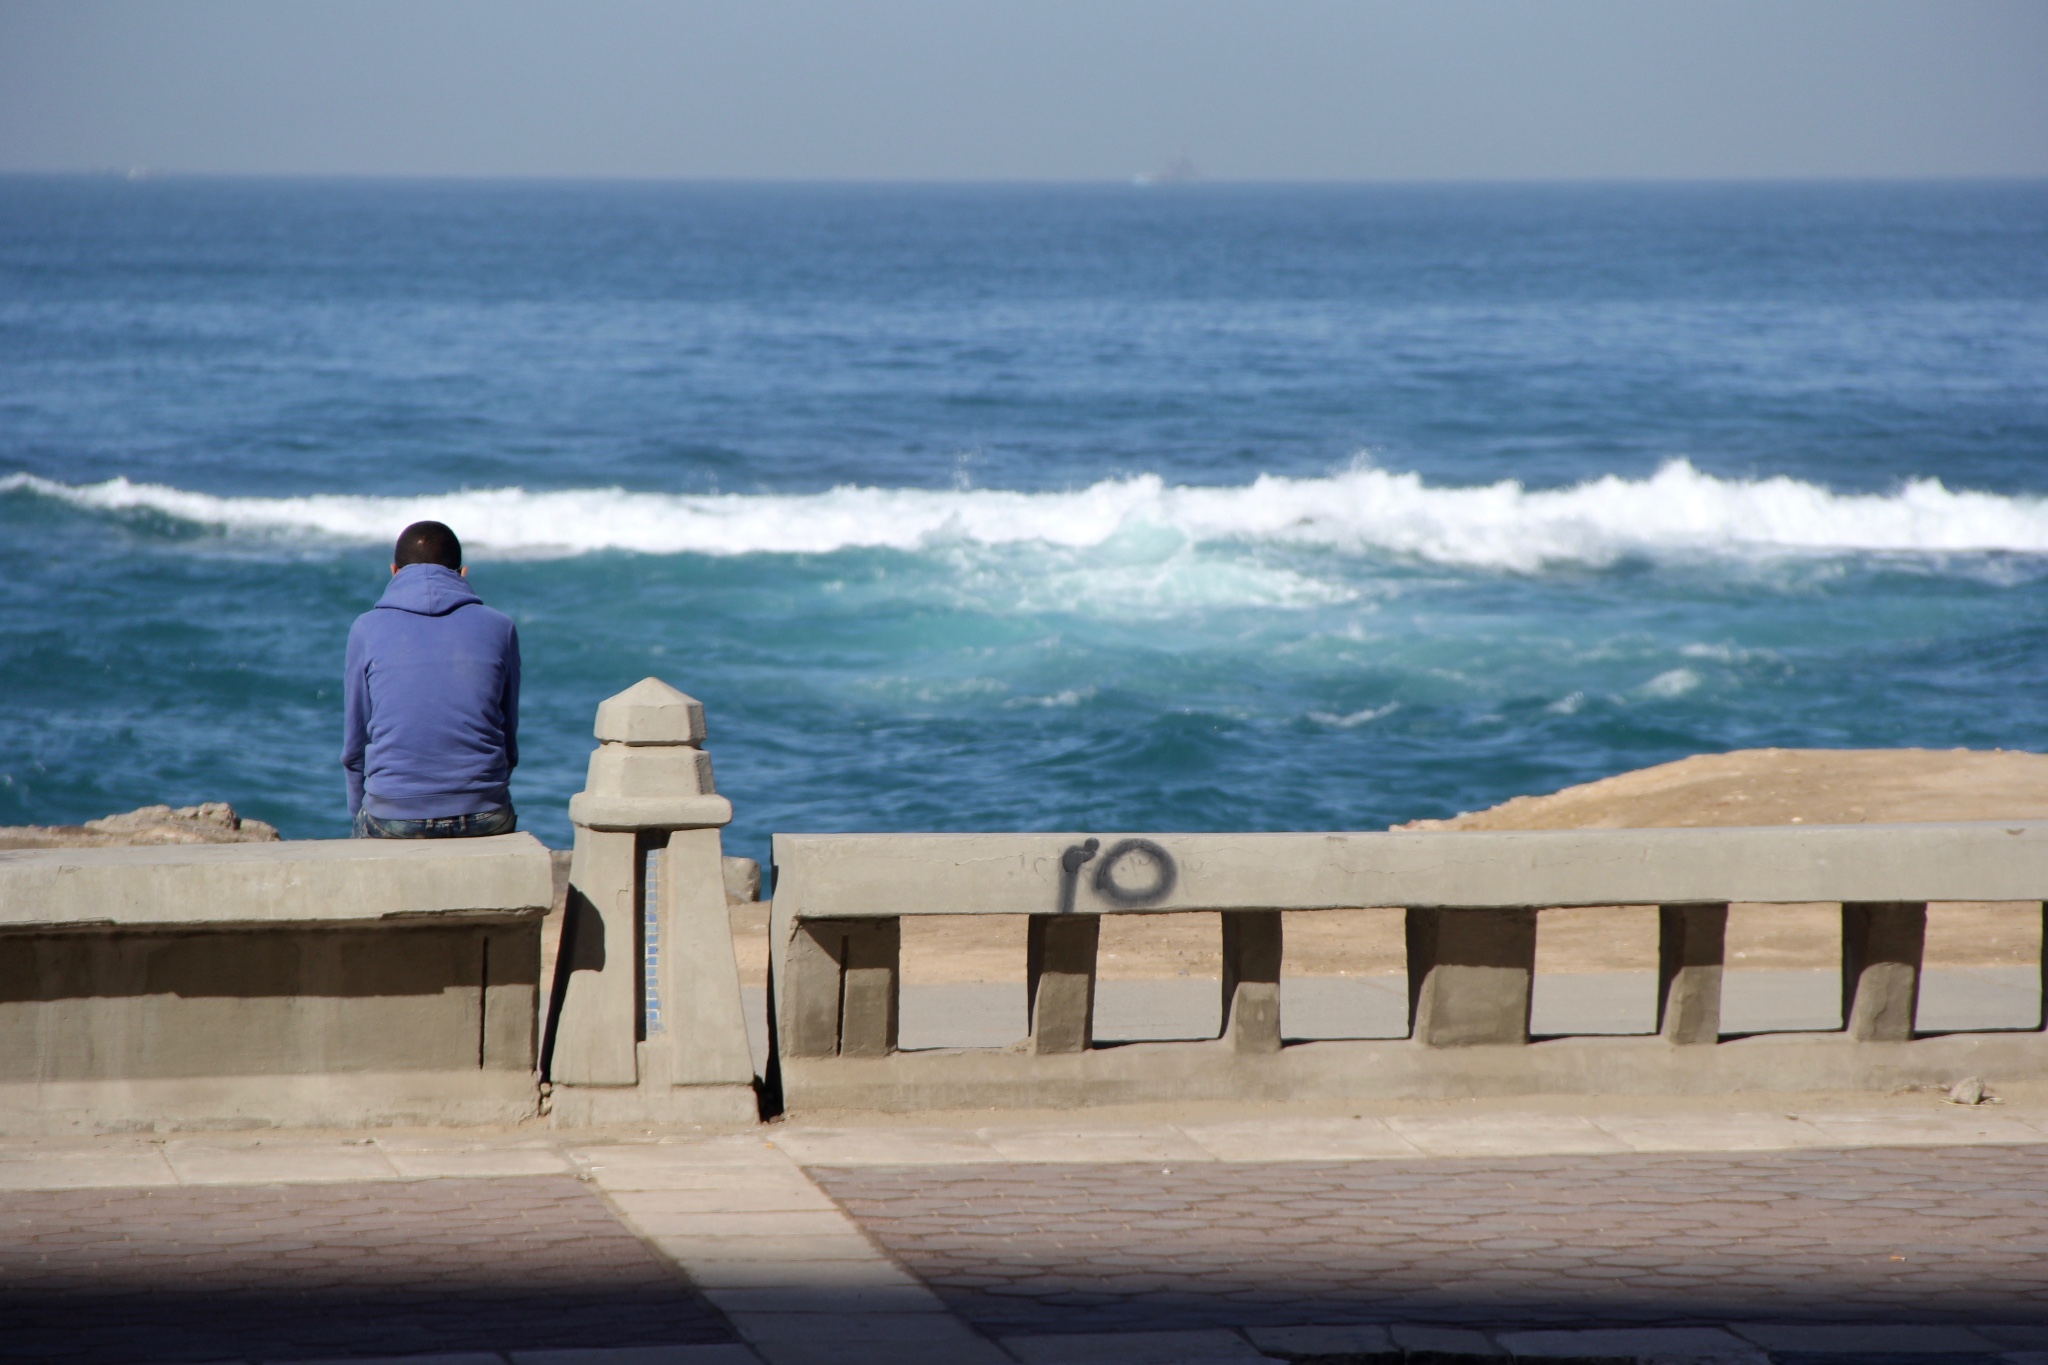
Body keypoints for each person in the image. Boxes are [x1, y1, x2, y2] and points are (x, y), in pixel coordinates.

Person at [342, 521, 520, 838]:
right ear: (462, 573)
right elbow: (508, 742)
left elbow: (355, 748)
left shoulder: (366, 629)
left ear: (394, 571)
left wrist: (362, 811)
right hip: (484, 812)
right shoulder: (500, 627)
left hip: (394, 815)